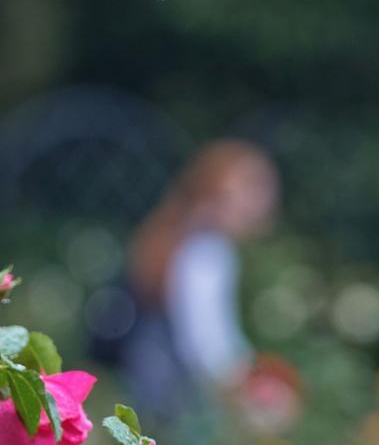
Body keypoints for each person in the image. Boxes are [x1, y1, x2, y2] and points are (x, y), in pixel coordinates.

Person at [89, 139, 279, 425]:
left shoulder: (176, 238)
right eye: (253, 190)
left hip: (147, 377)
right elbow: (205, 339)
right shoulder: (206, 249)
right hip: (176, 390)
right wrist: (246, 385)